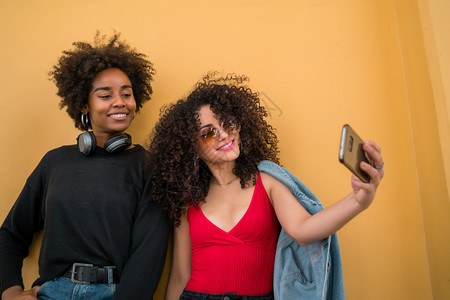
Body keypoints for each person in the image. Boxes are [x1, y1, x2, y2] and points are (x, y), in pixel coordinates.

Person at [146, 73, 384, 300]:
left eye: (228, 123)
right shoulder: (188, 200)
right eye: (208, 133)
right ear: (191, 148)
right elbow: (179, 276)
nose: (223, 134)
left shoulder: (267, 182)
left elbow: (303, 231)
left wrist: (358, 200)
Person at [0, 32, 169, 300]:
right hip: (50, 291)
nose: (120, 102)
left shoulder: (148, 166)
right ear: (83, 104)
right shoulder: (54, 162)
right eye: (105, 95)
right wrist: (9, 292)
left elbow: (149, 253)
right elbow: (10, 234)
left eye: (127, 94)